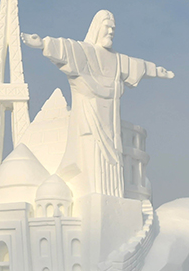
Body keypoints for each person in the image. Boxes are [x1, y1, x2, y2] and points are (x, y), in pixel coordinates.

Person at [22, 10, 174, 198]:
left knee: (114, 160)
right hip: (90, 122)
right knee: (91, 159)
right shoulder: (84, 53)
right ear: (96, 28)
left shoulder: (117, 60)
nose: (111, 32)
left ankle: (113, 196)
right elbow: (66, 48)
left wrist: (156, 70)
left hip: (110, 125)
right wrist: (43, 43)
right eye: (107, 27)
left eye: (113, 28)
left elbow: (137, 65)